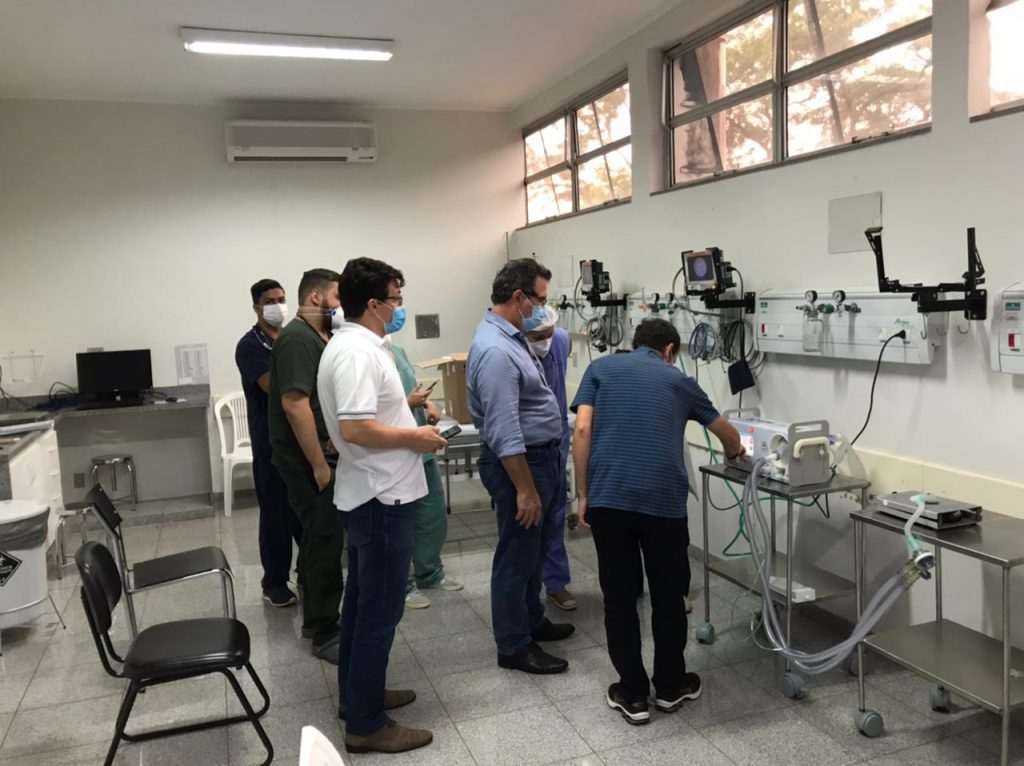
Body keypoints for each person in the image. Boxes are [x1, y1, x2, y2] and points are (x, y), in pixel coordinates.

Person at [571, 317, 744, 726]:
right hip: (663, 505)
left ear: (637, 344)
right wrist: (736, 454)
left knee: (619, 598)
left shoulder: (599, 369)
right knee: (668, 597)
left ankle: (632, 694)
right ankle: (669, 687)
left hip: (610, 499)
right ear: (669, 350)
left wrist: (583, 494)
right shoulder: (679, 381)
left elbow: (582, 430)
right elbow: (727, 434)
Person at [318, 257, 447, 755]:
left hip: (372, 491)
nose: (400, 307)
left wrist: (405, 409)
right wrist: (415, 438)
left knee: (361, 605)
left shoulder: (358, 346)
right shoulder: (356, 352)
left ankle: (358, 697)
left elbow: (368, 415)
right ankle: (367, 725)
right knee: (379, 611)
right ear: (373, 304)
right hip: (381, 496)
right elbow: (355, 428)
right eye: (396, 299)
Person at [467, 257, 574, 676]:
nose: (544, 309)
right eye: (540, 300)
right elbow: (504, 427)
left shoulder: (511, 338)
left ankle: (531, 620)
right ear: (518, 297)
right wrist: (526, 489)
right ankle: (513, 645)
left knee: (534, 550)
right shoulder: (496, 350)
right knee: (517, 555)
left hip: (540, 457)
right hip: (521, 464)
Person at [267, 268, 345, 664]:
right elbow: (295, 404)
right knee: (325, 538)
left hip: (319, 452)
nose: (341, 306)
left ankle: (317, 620)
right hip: (305, 459)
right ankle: (325, 629)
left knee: (318, 537)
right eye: (337, 297)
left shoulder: (318, 337)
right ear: (316, 297)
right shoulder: (298, 339)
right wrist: (319, 464)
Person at [234, 279, 304, 607]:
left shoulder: (292, 337)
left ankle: (308, 571)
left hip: (301, 439)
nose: (277, 306)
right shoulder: (249, 346)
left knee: (305, 512)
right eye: (270, 301)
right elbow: (272, 386)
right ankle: (274, 583)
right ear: (256, 307)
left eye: (281, 299)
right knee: (276, 514)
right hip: (271, 442)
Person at [390, 342, 464, 609]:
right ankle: (401, 584)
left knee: (432, 515)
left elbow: (411, 389)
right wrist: (406, 403)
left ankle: (429, 573)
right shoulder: (363, 353)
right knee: (399, 524)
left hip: (422, 448)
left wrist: (428, 403)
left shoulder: (397, 350)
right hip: (395, 451)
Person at [525, 306, 575, 611]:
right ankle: (526, 593)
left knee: (555, 513)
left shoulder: (562, 340)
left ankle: (556, 582)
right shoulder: (508, 348)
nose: (544, 342)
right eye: (536, 337)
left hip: (556, 439)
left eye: (548, 335)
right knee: (526, 520)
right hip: (526, 445)